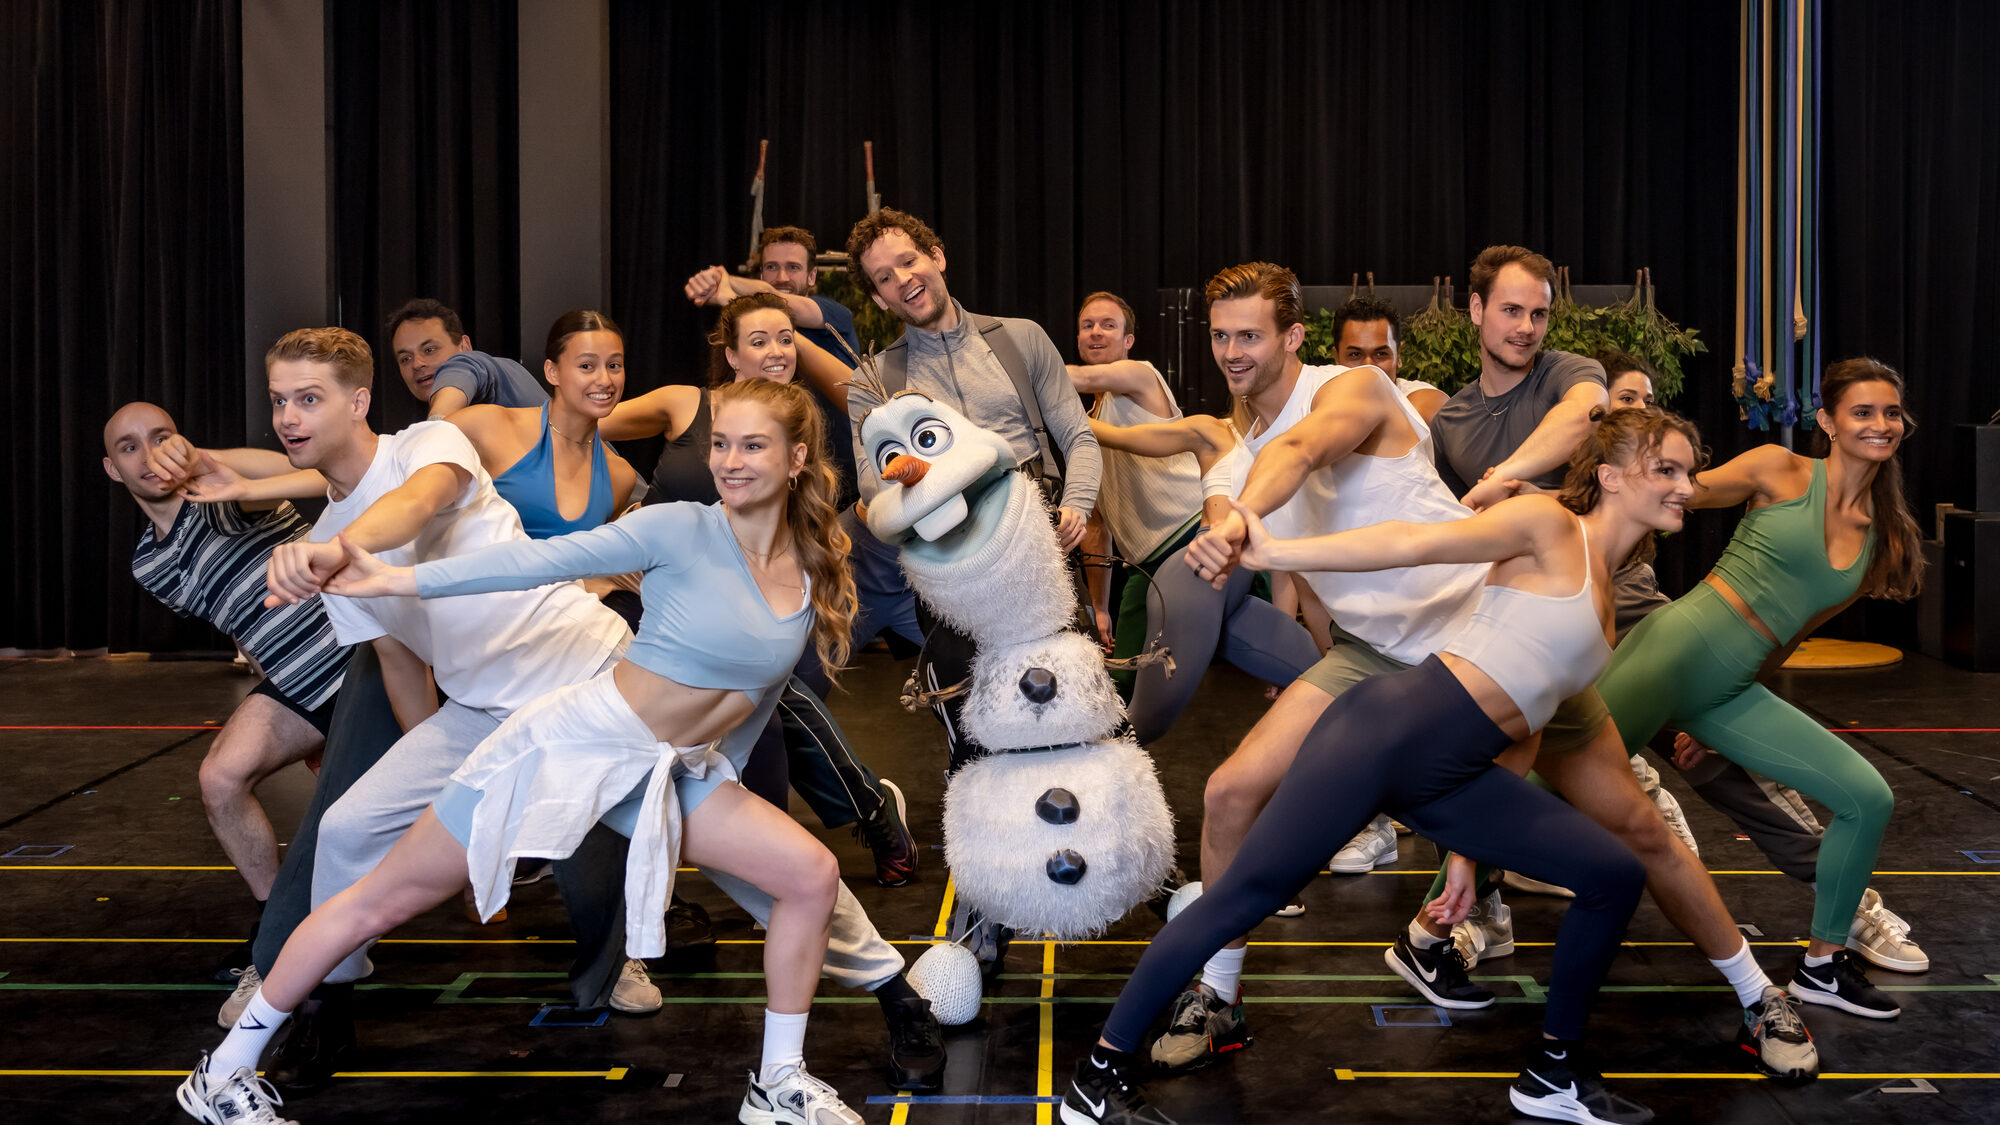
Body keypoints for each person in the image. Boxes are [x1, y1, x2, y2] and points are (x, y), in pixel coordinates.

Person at [176, 377, 873, 1125]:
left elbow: (755, 699)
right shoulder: (680, 528)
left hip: (664, 772)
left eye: (752, 446)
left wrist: (721, 776)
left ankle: (778, 1084)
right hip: (570, 745)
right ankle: (223, 1071)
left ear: (797, 457)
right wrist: (396, 577)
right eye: (722, 443)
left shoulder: (809, 566)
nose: (730, 461)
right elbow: (533, 562)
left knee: (810, 875)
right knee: (379, 899)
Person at [1067, 408, 1701, 1125]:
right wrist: (1276, 552)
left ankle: (1556, 1073)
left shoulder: (1608, 597)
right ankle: (1095, 1078)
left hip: (1451, 773)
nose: (1685, 486)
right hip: (1382, 735)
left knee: (1612, 873)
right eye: (1667, 469)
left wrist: (1467, 857)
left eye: (1688, 471)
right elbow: (1412, 541)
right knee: (1241, 898)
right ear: (1611, 476)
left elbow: (1526, 728)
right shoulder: (1551, 527)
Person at [1599, 358, 1927, 1017]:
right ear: (1827, 421)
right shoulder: (1779, 469)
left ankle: (1822, 967)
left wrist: (1717, 713)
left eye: (1891, 412)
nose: (1881, 423)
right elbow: (1679, 493)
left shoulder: (1883, 537)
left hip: (1728, 684)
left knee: (1867, 797)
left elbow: (1792, 632)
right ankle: (1433, 932)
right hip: (1670, 651)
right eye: (1863, 411)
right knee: (1543, 786)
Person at [602, 294, 925, 894]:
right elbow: (580, 425)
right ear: (730, 355)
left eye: (785, 338)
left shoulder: (796, 427)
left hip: (748, 601)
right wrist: (623, 505)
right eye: (759, 341)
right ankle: (865, 810)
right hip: (658, 596)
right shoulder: (685, 403)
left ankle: (798, 850)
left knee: (772, 707)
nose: (777, 351)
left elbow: (806, 521)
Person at [103, 402, 349, 977]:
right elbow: (243, 624)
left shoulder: (221, 495)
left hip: (363, 662)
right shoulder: (149, 564)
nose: (149, 455)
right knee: (220, 778)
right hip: (299, 686)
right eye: (130, 446)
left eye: (161, 437)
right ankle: (276, 925)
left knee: (380, 823)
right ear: (113, 468)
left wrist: (207, 462)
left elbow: (310, 471)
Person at [1064, 290, 1211, 689]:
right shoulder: (1086, 427)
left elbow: (1082, 378)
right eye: (1087, 325)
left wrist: (1019, 370)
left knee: (1234, 635)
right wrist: (1099, 606)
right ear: (1078, 339)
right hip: (1147, 563)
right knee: (1123, 679)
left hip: (1193, 534)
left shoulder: (1140, 375)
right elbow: (1097, 527)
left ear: (1128, 340)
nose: (1096, 332)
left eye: (1108, 325)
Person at [384, 298, 547, 419]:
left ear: (464, 346)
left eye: (429, 350)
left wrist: (435, 428)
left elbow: (460, 369)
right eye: (405, 359)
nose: (417, 364)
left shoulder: (482, 366)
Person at [1332, 294, 1448, 422]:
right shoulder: (1322, 398)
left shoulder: (1421, 403)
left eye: (1381, 354)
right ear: (1336, 357)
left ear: (1399, 355)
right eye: (1355, 355)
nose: (1369, 368)